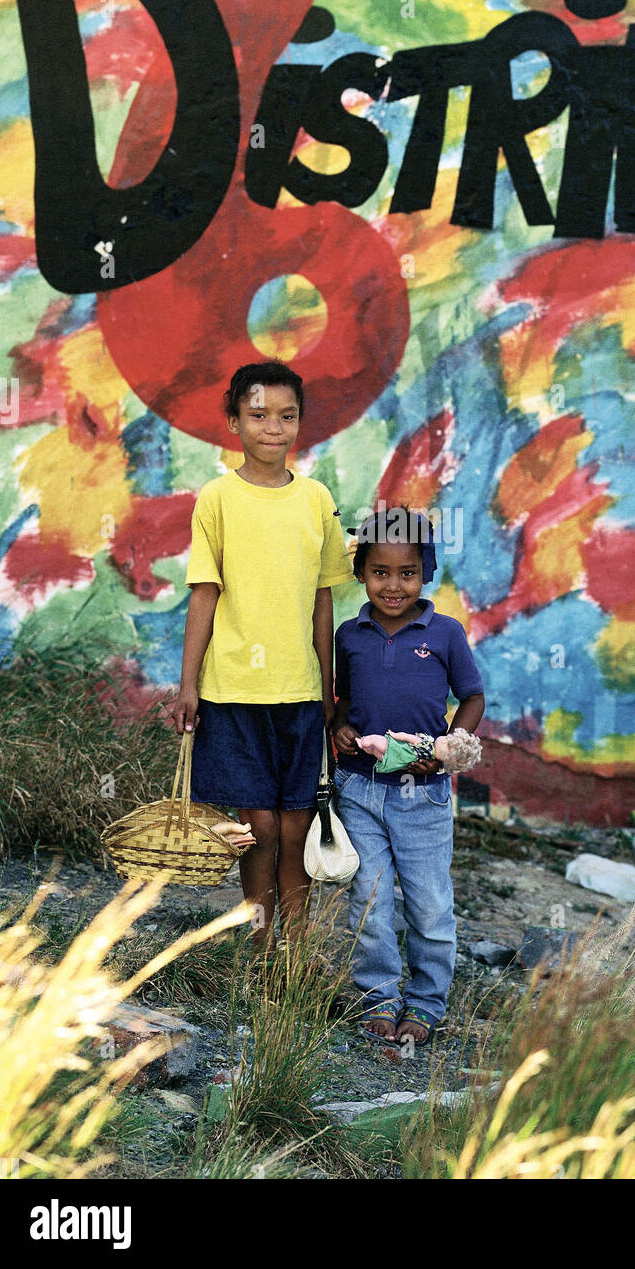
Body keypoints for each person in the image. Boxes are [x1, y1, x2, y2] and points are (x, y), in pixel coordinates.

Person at [172, 360, 354, 950]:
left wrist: (329, 688)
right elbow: (205, 592)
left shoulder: (316, 500)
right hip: (232, 689)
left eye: (287, 416)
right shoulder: (217, 498)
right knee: (260, 825)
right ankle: (258, 937)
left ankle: (295, 950)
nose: (273, 428)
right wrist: (188, 683)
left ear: (300, 423)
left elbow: (322, 600)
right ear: (233, 422)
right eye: (258, 415)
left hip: (299, 689)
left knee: (300, 820)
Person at [332, 507, 485, 1048]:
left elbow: (472, 697)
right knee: (370, 901)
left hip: (424, 795)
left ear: (427, 573)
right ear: (361, 573)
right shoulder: (349, 635)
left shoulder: (444, 633)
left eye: (407, 573)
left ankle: (425, 1003)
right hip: (358, 789)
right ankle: (378, 996)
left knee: (429, 904)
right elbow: (343, 698)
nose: (393, 585)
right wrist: (341, 725)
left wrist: (450, 749)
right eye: (380, 572)